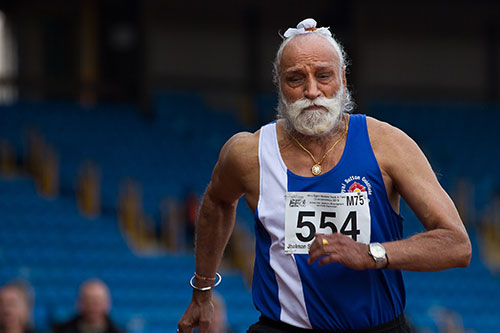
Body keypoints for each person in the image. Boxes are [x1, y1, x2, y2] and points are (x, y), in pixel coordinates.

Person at [178, 18, 471, 333]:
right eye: (295, 79)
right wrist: (203, 292)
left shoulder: (387, 144)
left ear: (343, 78)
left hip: (378, 327)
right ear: (279, 84)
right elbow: (218, 202)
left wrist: (370, 253)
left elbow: (456, 244)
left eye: (323, 75)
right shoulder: (248, 154)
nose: (312, 91)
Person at [52, 279, 122, 333]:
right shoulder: (61, 330)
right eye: (88, 301)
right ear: (79, 303)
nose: (93, 307)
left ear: (107, 304)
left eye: (97, 302)